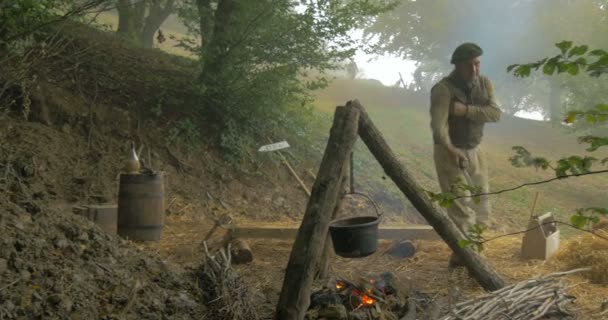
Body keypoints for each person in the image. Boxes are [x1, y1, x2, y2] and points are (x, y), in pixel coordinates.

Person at [429, 43, 502, 266]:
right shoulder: (443, 90)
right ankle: (474, 262)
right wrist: (452, 150)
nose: (475, 69)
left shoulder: (485, 84)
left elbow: (496, 114)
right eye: (469, 65)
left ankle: (465, 255)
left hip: (476, 150)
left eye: (477, 63)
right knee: (461, 207)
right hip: (449, 151)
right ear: (457, 65)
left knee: (482, 203)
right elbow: (438, 128)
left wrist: (465, 110)